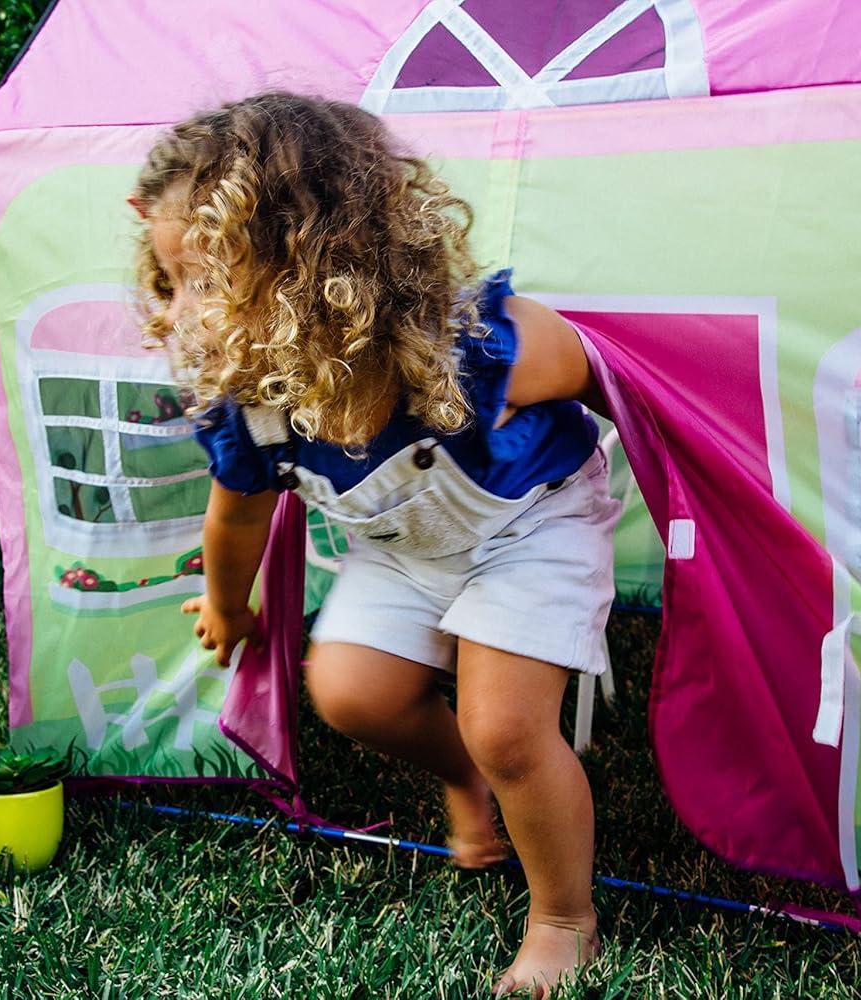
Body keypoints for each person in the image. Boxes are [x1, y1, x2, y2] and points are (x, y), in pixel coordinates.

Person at [129, 92, 621, 998]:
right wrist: (230, 606)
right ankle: (470, 777)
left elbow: (614, 375)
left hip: (531, 528)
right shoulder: (256, 400)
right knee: (351, 692)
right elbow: (239, 514)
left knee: (507, 723)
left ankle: (563, 916)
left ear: (315, 263)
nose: (186, 315)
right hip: (408, 553)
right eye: (173, 283)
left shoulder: (470, 348)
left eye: (209, 282)